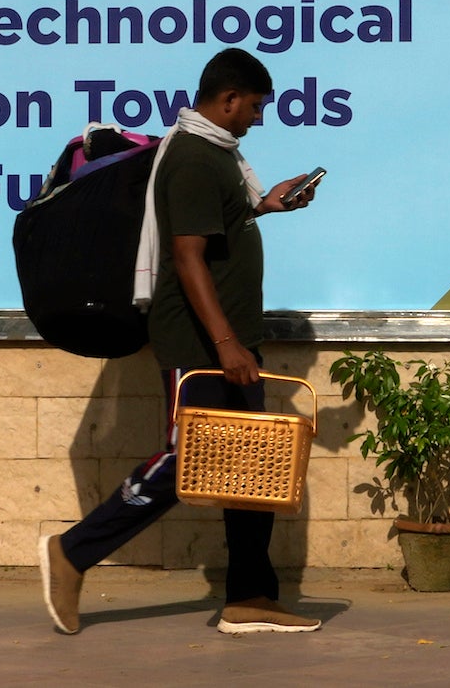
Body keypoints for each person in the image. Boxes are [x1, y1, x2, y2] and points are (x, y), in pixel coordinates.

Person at [39, 47, 322, 635]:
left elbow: (218, 233)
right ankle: (73, 552)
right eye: (255, 106)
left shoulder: (218, 157)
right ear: (228, 99)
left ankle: (249, 597)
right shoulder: (194, 158)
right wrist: (224, 344)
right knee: (186, 460)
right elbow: (188, 258)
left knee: (249, 465)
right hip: (201, 345)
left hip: (230, 340)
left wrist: (264, 207)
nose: (258, 118)